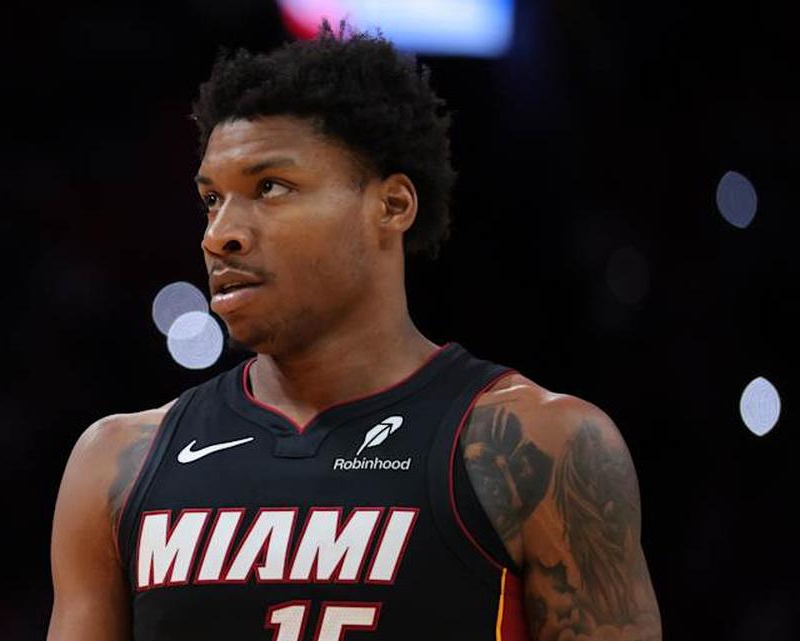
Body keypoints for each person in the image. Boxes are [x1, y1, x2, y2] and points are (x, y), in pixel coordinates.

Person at [47, 22, 661, 641]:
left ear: (392, 206)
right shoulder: (115, 464)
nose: (219, 234)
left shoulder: (539, 448)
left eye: (270, 188)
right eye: (211, 199)